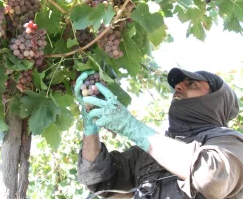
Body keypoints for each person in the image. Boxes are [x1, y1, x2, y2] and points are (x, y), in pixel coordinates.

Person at [74, 68, 243, 199]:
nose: (178, 87)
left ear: (216, 101)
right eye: (178, 85)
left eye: (192, 84)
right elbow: (99, 179)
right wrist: (90, 125)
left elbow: (213, 177)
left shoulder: (229, 142)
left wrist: (133, 128)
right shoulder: (145, 154)